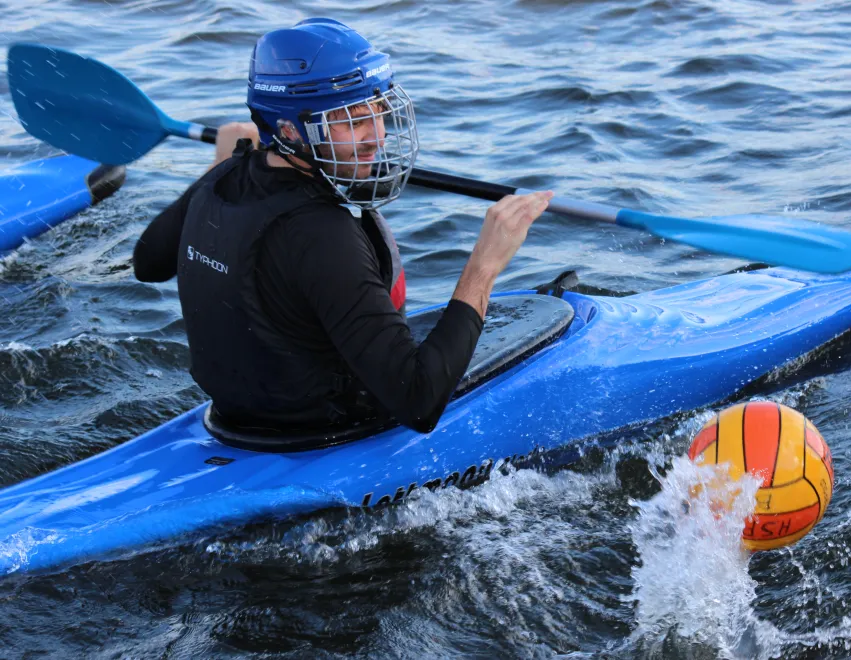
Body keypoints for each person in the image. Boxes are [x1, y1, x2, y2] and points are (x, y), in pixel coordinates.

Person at [133, 18, 552, 435]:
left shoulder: (223, 178)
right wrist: (485, 264)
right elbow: (420, 401)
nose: (379, 136)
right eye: (352, 121)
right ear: (288, 130)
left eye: (379, 111)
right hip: (319, 433)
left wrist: (218, 167)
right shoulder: (321, 234)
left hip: (236, 419)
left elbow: (148, 262)